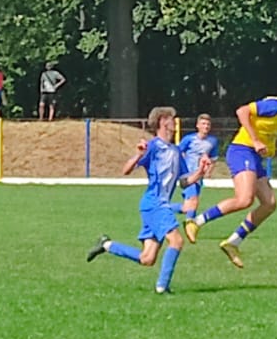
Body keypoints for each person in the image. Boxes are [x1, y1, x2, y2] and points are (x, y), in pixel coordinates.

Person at [185, 93, 277, 267]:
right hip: (242, 150)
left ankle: (233, 242)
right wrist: (256, 140)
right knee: (244, 199)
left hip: (254, 156)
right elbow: (242, 111)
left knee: (269, 203)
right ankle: (196, 222)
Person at [86, 106, 207, 295]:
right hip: (155, 204)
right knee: (176, 241)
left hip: (155, 206)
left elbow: (183, 181)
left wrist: (200, 172)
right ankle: (162, 287)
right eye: (171, 119)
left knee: (147, 259)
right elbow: (125, 170)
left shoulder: (175, 151)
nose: (175, 122)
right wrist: (139, 155)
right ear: (162, 121)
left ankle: (107, 245)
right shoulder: (153, 146)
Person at [176, 113, 219, 221]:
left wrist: (209, 172)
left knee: (189, 205)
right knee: (193, 202)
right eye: (203, 124)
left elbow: (213, 159)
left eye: (208, 124)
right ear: (197, 125)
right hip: (188, 175)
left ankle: (189, 224)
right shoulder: (189, 139)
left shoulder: (213, 141)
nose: (206, 126)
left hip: (199, 176)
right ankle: (189, 224)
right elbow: (177, 153)